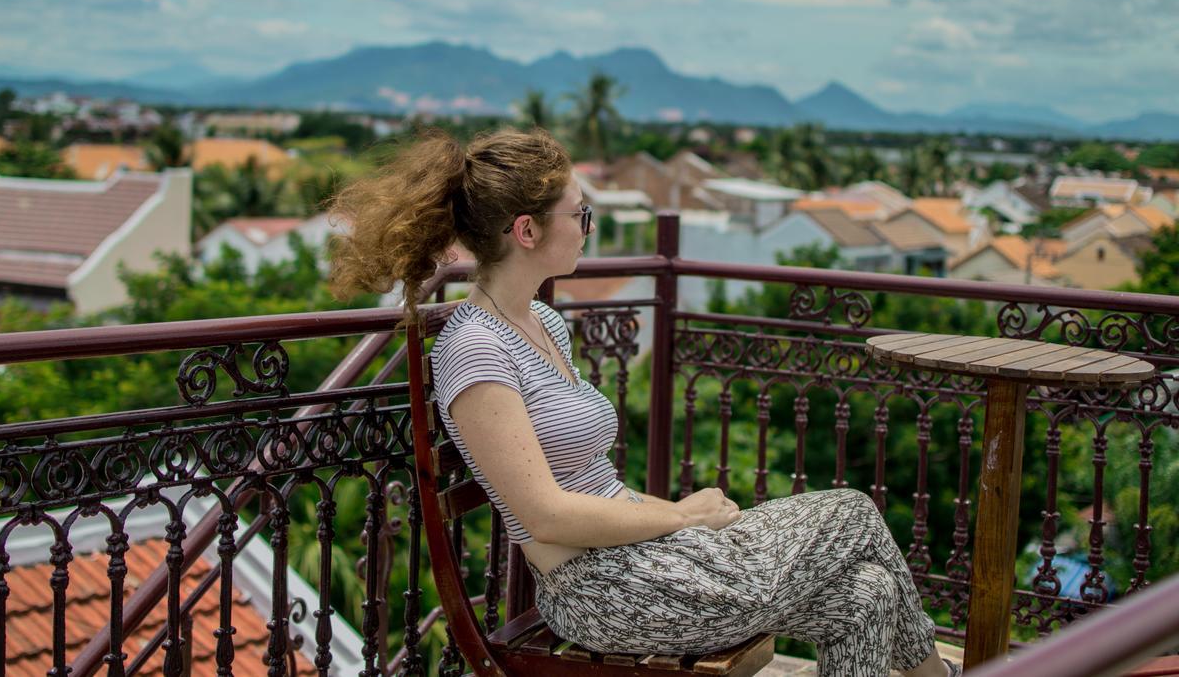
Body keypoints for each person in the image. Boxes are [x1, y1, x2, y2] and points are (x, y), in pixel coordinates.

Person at [329, 127, 959, 677]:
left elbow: (598, 486)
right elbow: (546, 516)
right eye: (580, 215)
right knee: (850, 513)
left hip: (643, 554)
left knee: (866, 595)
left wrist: (672, 516)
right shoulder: (475, 352)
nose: (587, 228)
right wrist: (683, 518)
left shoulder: (542, 322)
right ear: (526, 230)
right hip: (598, 589)